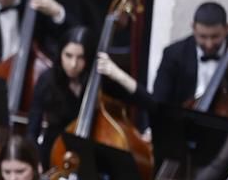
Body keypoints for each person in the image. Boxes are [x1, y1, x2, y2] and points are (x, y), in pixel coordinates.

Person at [25, 27, 143, 155]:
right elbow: (33, 126)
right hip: (54, 151)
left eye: (80, 57)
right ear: (60, 54)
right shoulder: (47, 80)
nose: (73, 64)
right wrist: (33, 158)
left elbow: (142, 100)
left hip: (93, 152)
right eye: (68, 55)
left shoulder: (100, 81)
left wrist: (117, 74)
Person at [150, 0, 228, 117]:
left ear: (227, 28)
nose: (209, 44)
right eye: (203, 37)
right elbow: (159, 100)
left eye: (215, 37)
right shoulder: (174, 54)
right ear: (193, 28)